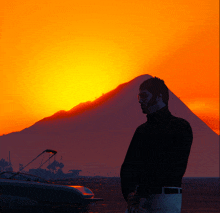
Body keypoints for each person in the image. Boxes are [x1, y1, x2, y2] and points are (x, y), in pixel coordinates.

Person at [120, 77, 193, 213]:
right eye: (139, 96)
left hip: (162, 198)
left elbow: (171, 167)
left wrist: (136, 194)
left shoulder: (180, 127)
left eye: (144, 96)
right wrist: (131, 197)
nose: (140, 100)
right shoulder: (142, 130)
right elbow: (128, 167)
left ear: (159, 96)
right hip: (147, 198)